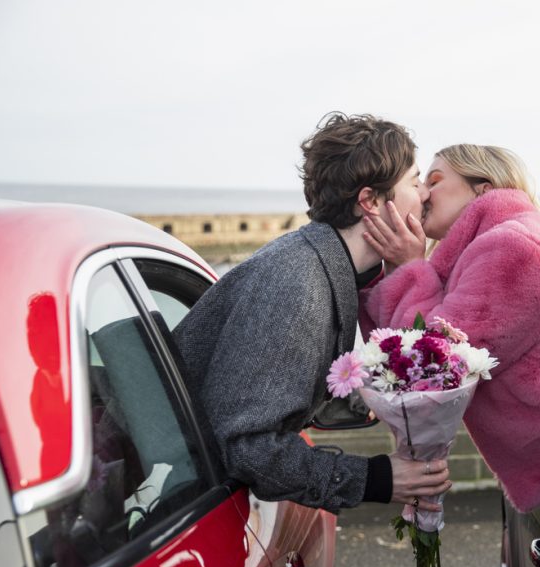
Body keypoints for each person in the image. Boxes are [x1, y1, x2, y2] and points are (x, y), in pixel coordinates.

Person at [173, 112, 452, 514]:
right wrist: (376, 478)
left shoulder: (320, 267)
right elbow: (248, 447)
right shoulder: (298, 284)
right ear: (370, 201)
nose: (426, 194)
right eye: (415, 181)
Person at [359, 144, 540, 514]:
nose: (422, 194)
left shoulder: (511, 247)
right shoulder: (487, 249)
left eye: (434, 181)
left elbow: (435, 365)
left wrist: (407, 266)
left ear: (483, 189)